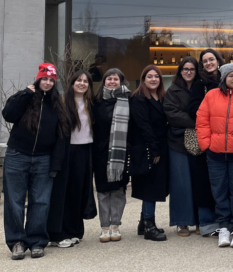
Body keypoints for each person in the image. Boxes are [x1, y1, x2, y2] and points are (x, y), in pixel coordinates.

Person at [1, 62, 70, 260]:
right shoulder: (26, 98)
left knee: (40, 202)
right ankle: (16, 242)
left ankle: (37, 241)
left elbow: (61, 136)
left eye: (51, 80)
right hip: (17, 156)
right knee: (14, 201)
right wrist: (24, 94)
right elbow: (8, 114)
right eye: (44, 79)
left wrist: (56, 164)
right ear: (38, 79)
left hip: (43, 159)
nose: (47, 83)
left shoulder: (57, 105)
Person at [196, 63, 233, 248]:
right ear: (224, 78)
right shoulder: (211, 95)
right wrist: (206, 144)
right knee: (219, 191)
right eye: (231, 75)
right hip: (215, 152)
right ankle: (223, 227)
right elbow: (202, 120)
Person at [48, 70, 98, 248]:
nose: (82, 83)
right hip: (67, 152)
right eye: (78, 80)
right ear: (72, 83)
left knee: (80, 191)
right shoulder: (62, 103)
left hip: (86, 151)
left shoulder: (91, 103)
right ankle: (59, 234)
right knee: (64, 193)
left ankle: (75, 231)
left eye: (85, 81)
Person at [129, 64, 170, 242]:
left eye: (156, 76)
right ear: (143, 79)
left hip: (159, 147)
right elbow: (143, 125)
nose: (153, 79)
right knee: (150, 188)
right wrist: (154, 149)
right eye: (149, 76)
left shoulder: (161, 96)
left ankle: (143, 222)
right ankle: (149, 226)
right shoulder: (138, 98)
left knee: (152, 185)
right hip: (147, 149)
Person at [163, 57, 201, 237]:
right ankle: (182, 222)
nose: (188, 72)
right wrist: (195, 121)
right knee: (181, 183)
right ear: (180, 71)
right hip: (177, 143)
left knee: (199, 182)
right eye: (185, 69)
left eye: (192, 69)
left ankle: (202, 220)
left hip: (200, 141)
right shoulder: (173, 90)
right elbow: (171, 113)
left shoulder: (202, 88)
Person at [93, 68, 130, 242]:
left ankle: (115, 225)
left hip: (121, 153)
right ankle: (104, 227)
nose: (112, 81)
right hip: (100, 151)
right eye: (109, 79)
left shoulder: (128, 100)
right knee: (102, 191)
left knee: (118, 190)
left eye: (116, 79)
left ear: (121, 82)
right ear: (104, 81)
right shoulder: (96, 101)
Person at [193, 49, 223, 236]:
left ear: (218, 60)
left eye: (211, 59)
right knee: (204, 182)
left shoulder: (228, 78)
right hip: (206, 138)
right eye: (205, 61)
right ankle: (206, 224)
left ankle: (224, 221)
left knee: (224, 183)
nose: (209, 63)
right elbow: (193, 109)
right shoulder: (199, 83)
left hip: (227, 139)